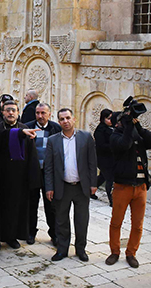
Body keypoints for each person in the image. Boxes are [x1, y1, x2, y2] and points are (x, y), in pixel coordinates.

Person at [106, 111, 151, 268]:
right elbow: (125, 144)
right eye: (123, 121)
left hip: (140, 187)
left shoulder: (137, 134)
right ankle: (114, 252)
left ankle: (131, 253)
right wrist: (129, 127)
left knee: (137, 224)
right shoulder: (115, 136)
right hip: (122, 187)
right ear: (117, 123)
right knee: (116, 222)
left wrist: (139, 126)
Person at [44, 108, 97, 262]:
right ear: (58, 121)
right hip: (62, 187)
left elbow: (92, 162)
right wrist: (49, 187)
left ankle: (81, 249)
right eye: (62, 119)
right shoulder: (53, 140)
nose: (65, 121)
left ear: (74, 119)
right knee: (61, 221)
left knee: (81, 220)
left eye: (68, 118)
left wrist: (93, 183)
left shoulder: (86, 138)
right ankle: (62, 250)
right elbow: (49, 167)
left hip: (81, 187)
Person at [0, 100, 40, 248]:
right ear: (2, 112)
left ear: (18, 112)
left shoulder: (25, 128)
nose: (10, 113)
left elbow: (32, 154)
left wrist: (33, 177)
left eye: (13, 110)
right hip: (0, 177)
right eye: (7, 110)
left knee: (16, 209)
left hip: (19, 178)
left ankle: (12, 236)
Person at [25, 103, 62, 246]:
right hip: (33, 172)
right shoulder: (27, 127)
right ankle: (30, 232)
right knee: (31, 203)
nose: (40, 116)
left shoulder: (55, 128)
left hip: (49, 173)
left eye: (43, 113)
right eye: (37, 113)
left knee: (51, 205)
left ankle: (54, 233)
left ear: (49, 114)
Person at [94, 109, 115, 205]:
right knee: (110, 178)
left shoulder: (112, 127)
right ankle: (112, 200)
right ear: (103, 119)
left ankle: (90, 191)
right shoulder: (100, 130)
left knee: (103, 176)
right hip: (102, 158)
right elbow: (101, 145)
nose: (111, 120)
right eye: (108, 118)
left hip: (110, 158)